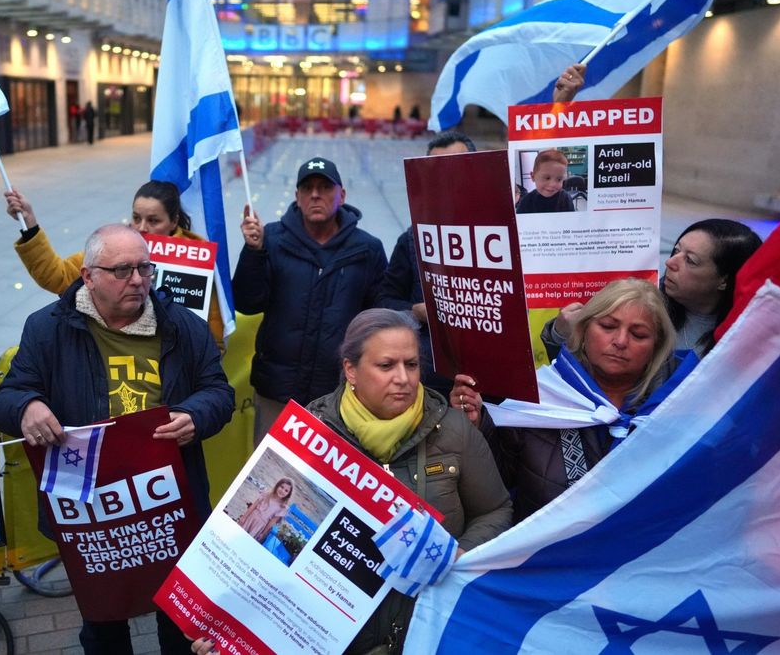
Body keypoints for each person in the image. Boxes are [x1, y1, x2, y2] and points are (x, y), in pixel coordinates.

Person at [206, 309, 511, 655]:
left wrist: (459, 555)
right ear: (351, 370)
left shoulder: (453, 430)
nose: (403, 378)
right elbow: (252, 552)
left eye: (411, 365)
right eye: (386, 365)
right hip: (336, 640)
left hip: (428, 631)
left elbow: (496, 509)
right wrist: (224, 623)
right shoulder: (310, 431)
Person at [0, 224, 233, 655]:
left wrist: (196, 415)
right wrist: (27, 405)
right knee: (103, 621)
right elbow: (7, 398)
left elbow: (218, 392)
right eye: (122, 270)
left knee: (179, 618)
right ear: (88, 276)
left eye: (144, 268)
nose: (138, 280)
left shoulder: (182, 326)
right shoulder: (47, 329)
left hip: (169, 502)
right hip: (90, 511)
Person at [453, 279, 681, 523]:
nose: (621, 341)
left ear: (656, 348)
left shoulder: (679, 408)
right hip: (548, 556)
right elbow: (492, 492)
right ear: (582, 331)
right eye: (607, 326)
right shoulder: (539, 398)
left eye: (638, 334)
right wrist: (475, 429)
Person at [234, 157, 387, 441]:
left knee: (326, 482)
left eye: (324, 187)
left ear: (341, 195)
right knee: (269, 481)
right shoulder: (272, 240)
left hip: (338, 397)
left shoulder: (367, 249)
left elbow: (378, 319)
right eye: (307, 188)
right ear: (297, 197)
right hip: (276, 394)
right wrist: (253, 253)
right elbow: (247, 302)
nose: (315, 194)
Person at [4, 179, 226, 352]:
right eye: (136, 217)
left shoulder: (196, 260)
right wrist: (30, 225)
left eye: (153, 220)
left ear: (174, 221)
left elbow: (212, 339)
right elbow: (56, 275)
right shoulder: (117, 246)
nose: (141, 227)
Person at [542, 219, 763, 358]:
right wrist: (560, 334)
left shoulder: (744, 343)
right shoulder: (642, 305)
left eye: (690, 261)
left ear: (724, 280)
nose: (670, 262)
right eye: (676, 251)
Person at [376, 131, 477, 394]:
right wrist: (415, 311)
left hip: (490, 382)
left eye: (456, 166)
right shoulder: (412, 238)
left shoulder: (507, 232)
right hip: (431, 381)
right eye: (437, 169)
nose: (447, 177)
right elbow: (386, 298)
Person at [515, 148, 574, 214]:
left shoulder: (566, 199)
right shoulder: (526, 202)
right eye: (547, 178)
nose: (553, 184)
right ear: (533, 176)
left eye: (559, 179)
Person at [235, 478, 293, 543]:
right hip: (251, 518)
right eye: (281, 487)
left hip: (260, 526)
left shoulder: (282, 508)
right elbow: (254, 506)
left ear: (288, 494)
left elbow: (272, 522)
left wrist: (263, 533)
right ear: (277, 486)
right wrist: (244, 517)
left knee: (246, 542)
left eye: (286, 490)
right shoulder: (266, 494)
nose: (282, 491)